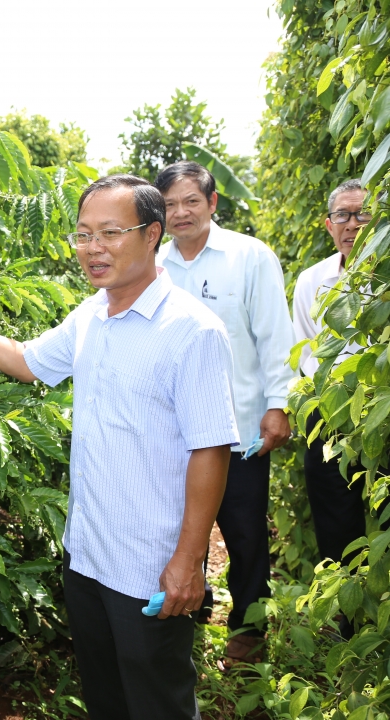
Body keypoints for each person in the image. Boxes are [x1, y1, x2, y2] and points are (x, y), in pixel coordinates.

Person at [0, 174, 238, 719]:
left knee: (159, 704)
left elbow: (210, 450)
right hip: (88, 557)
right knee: (107, 701)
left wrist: (188, 560)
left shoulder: (192, 330)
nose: (93, 248)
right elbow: (28, 362)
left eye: (109, 232)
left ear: (153, 235)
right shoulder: (91, 315)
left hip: (149, 568)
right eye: (83, 235)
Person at [154, 162, 295, 665]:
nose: (180, 212)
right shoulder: (155, 267)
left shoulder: (249, 257)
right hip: (171, 433)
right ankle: (192, 609)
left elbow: (275, 337)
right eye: (169, 204)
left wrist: (278, 405)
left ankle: (249, 628)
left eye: (191, 201)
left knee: (245, 530)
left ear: (213, 203)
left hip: (238, 429)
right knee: (179, 527)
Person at [292, 179, 371, 594]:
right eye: (342, 215)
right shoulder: (312, 280)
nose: (352, 225)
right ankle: (344, 612)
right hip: (332, 411)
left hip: (381, 407)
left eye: (362, 214)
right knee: (335, 517)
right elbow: (307, 349)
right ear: (328, 224)